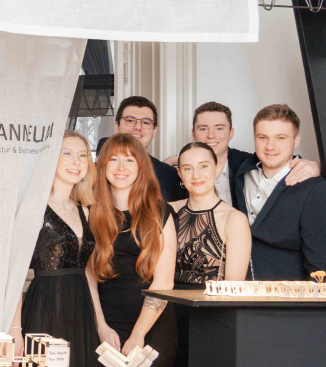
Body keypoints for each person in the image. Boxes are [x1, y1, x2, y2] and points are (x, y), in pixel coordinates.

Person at [86, 133, 178, 365]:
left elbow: (164, 282)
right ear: (102, 166)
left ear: (141, 167)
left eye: (129, 160)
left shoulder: (160, 212)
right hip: (104, 324)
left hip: (152, 325)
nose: (121, 167)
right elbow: (89, 278)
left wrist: (138, 334)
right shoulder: (90, 212)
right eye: (113, 159)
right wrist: (101, 326)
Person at [10, 130, 99, 367]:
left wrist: (99, 323)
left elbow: (87, 273)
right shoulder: (34, 207)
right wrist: (15, 329)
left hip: (81, 309)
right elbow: (15, 272)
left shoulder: (84, 210)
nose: (76, 161)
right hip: (46, 305)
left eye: (82, 155)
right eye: (67, 153)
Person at [169, 141, 251, 367]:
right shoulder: (167, 210)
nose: (196, 175)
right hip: (166, 316)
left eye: (203, 166)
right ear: (180, 174)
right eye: (188, 168)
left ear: (217, 168)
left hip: (210, 318)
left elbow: (233, 288)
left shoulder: (234, 219)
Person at [160, 101, 320, 206]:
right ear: (194, 134)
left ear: (231, 133)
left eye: (219, 128)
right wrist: (172, 161)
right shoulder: (179, 171)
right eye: (203, 129)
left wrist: (318, 166)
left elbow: (279, 160)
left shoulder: (247, 164)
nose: (211, 135)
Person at [232, 105, 326, 280]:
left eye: (280, 138)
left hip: (288, 293)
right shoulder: (241, 172)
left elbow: (320, 264)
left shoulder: (315, 188)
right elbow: (213, 153)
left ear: (296, 140)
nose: (270, 146)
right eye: (262, 137)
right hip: (242, 289)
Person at [97, 96, 182, 202]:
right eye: (130, 120)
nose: (137, 127)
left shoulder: (170, 176)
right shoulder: (96, 171)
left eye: (145, 122)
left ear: (154, 131)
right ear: (117, 126)